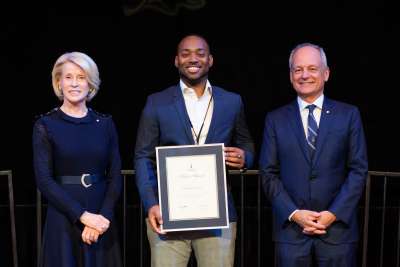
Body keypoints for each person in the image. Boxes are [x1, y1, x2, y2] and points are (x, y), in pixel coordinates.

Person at [134, 34, 255, 267]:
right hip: (167, 214)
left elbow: (246, 143)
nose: (193, 58)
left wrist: (245, 158)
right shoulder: (157, 102)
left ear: (210, 60)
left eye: (200, 53)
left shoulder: (231, 101)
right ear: (176, 60)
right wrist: (151, 203)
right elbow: (142, 156)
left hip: (217, 217)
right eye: (185, 53)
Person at [259, 43, 368, 267]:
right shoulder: (275, 119)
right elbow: (268, 173)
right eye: (298, 69)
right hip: (291, 233)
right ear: (290, 76)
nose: (304, 75)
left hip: (338, 232)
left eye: (312, 68)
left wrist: (333, 214)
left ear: (326, 73)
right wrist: (295, 213)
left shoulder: (348, 115)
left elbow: (358, 170)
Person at [32, 52, 122, 267]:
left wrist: (102, 219)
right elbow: (44, 180)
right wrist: (82, 216)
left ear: (90, 84)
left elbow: (115, 175)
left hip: (101, 218)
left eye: (81, 77)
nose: (74, 83)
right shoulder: (45, 125)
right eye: (68, 77)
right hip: (64, 217)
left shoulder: (105, 123)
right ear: (59, 82)